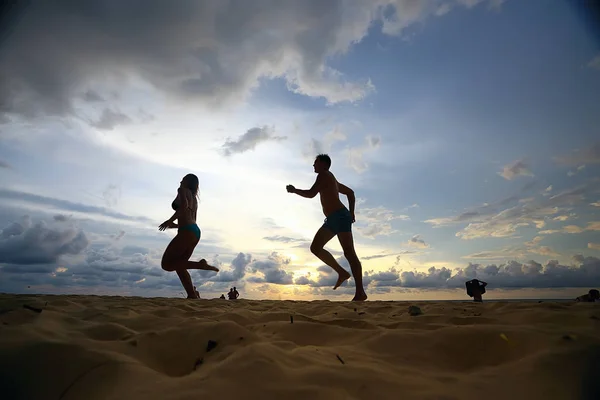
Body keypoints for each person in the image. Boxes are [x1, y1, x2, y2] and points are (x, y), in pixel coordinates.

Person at [286, 154, 367, 301]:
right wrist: (352, 212)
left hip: (340, 217)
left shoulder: (324, 175)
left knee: (349, 253)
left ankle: (360, 292)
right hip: (333, 219)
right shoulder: (332, 179)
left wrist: (294, 190)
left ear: (324, 164)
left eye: (315, 163)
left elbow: (311, 194)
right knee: (316, 248)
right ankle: (342, 273)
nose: (313, 165)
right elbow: (350, 193)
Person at [159, 173, 219, 299]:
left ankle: (200, 265)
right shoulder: (194, 198)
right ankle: (192, 294)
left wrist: (169, 221)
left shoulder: (182, 190)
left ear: (187, 182)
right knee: (180, 265)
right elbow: (190, 218)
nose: (180, 182)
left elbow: (184, 208)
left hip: (186, 231)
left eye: (183, 180)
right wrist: (175, 225)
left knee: (167, 264)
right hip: (195, 231)